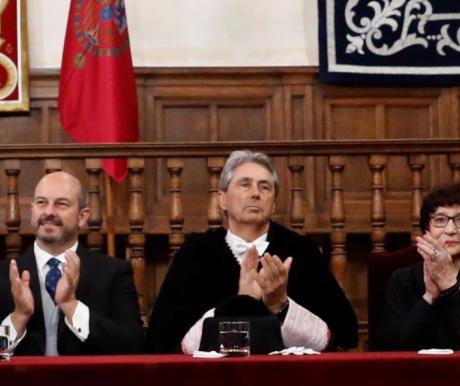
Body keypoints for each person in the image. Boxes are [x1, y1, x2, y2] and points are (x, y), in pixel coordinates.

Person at [146, 150, 358, 354]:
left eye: (265, 187)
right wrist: (239, 303)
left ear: (273, 204)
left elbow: (341, 335)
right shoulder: (194, 254)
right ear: (222, 199)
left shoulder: (301, 252)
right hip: (212, 376)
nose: (256, 193)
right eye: (245, 184)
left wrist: (281, 305)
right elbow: (165, 340)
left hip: (288, 374)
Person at [0, 171, 144, 355]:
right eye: (41, 202)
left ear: (83, 217)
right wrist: (19, 316)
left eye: (61, 204)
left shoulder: (114, 273)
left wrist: (71, 305)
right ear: (32, 209)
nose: (49, 212)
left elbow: (133, 345)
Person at [376, 184, 460, 350]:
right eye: (440, 220)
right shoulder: (402, 280)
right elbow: (388, 348)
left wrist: (451, 286)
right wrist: (429, 297)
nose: (450, 230)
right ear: (427, 229)